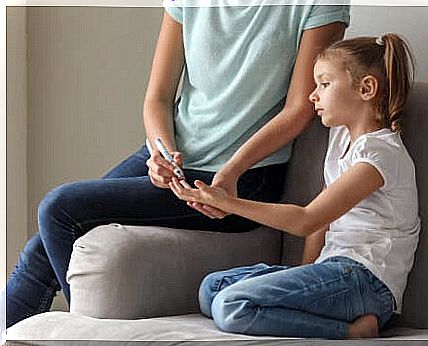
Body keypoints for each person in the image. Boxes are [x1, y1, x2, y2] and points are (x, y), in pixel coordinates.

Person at [1, 4, 350, 331]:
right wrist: (161, 152)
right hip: (173, 155)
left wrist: (231, 171)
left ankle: (87, 335)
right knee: (42, 245)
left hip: (246, 176)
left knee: (60, 208)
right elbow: (158, 97)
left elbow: (299, 110)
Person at [169, 33, 421, 339]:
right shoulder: (343, 138)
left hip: (366, 283)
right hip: (336, 272)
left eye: (325, 84)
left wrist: (225, 201)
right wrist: (305, 271)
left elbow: (307, 220)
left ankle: (352, 331)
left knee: (231, 305)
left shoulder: (380, 155)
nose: (313, 95)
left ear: (366, 88)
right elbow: (324, 221)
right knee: (211, 289)